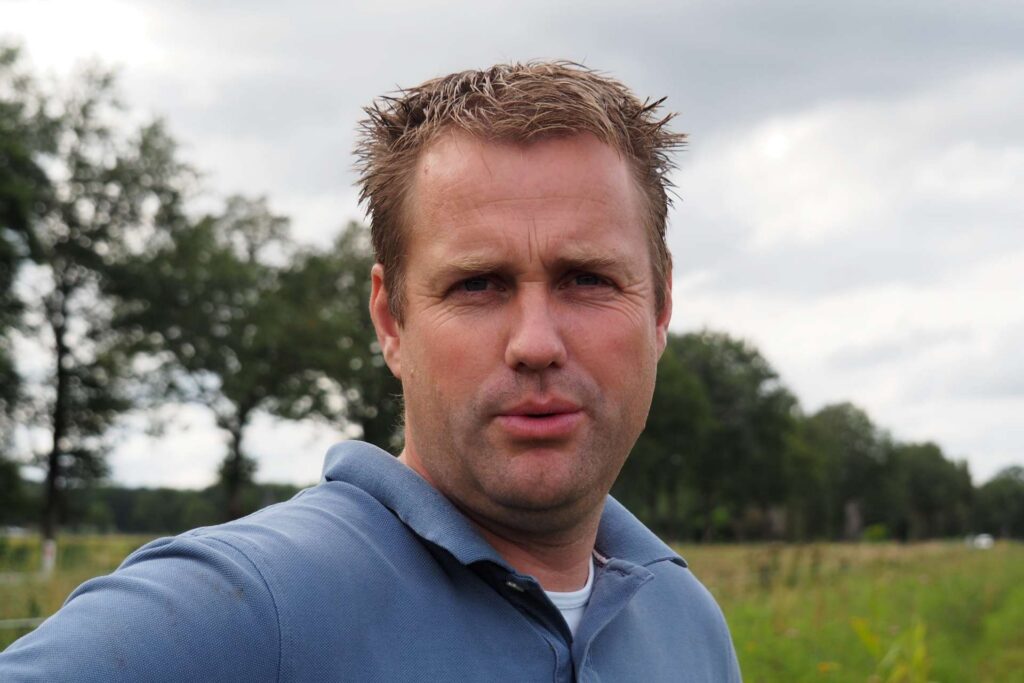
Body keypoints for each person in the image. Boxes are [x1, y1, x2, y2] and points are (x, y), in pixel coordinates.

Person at [0, 62, 741, 682]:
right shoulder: (247, 607)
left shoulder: (687, 623)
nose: (536, 343)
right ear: (391, 321)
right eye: (478, 284)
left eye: (586, 279)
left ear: (660, 307)